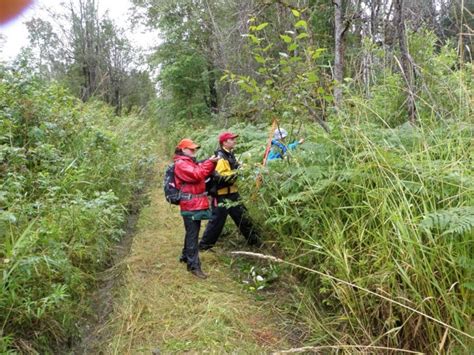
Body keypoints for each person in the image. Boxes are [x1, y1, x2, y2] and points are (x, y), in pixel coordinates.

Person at [199, 132, 261, 250]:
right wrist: (237, 173)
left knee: (243, 217)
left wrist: (248, 168)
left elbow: (237, 167)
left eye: (233, 139)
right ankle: (204, 246)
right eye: (231, 139)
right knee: (216, 222)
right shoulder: (221, 157)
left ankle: (255, 242)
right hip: (221, 195)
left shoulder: (230, 155)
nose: (234, 141)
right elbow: (220, 176)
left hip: (233, 193)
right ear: (224, 142)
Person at [173, 138, 219, 279]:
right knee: (193, 235)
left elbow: (199, 172)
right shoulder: (181, 164)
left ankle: (186, 256)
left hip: (195, 203)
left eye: (195, 149)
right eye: (191, 149)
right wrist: (210, 163)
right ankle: (194, 266)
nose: (194, 151)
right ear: (183, 150)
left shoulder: (188, 162)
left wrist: (209, 163)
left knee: (192, 231)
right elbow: (197, 174)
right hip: (190, 204)